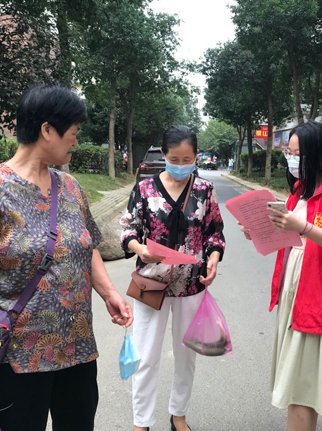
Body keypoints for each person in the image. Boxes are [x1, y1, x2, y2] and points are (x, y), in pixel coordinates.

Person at [0, 84, 133, 431]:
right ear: (47, 130)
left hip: (77, 349)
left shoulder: (70, 188)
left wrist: (110, 292)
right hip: (16, 358)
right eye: (73, 133)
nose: (76, 141)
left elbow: (87, 246)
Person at [240, 121, 322, 431]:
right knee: (301, 382)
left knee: (300, 385)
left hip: (317, 299)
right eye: (290, 153)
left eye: (299, 154)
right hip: (295, 296)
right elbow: (290, 239)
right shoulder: (299, 193)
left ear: (318, 154)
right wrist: (257, 230)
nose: (292, 160)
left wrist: (304, 227)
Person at [120, 125, 226, 431]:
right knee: (145, 356)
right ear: (164, 155)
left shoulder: (204, 190)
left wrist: (213, 259)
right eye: (175, 159)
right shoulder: (144, 189)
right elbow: (128, 229)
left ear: (196, 156)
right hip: (151, 284)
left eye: (187, 159)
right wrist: (139, 248)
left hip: (191, 284)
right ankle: (142, 422)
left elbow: (215, 233)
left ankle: (178, 415)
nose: (181, 165)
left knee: (185, 356)